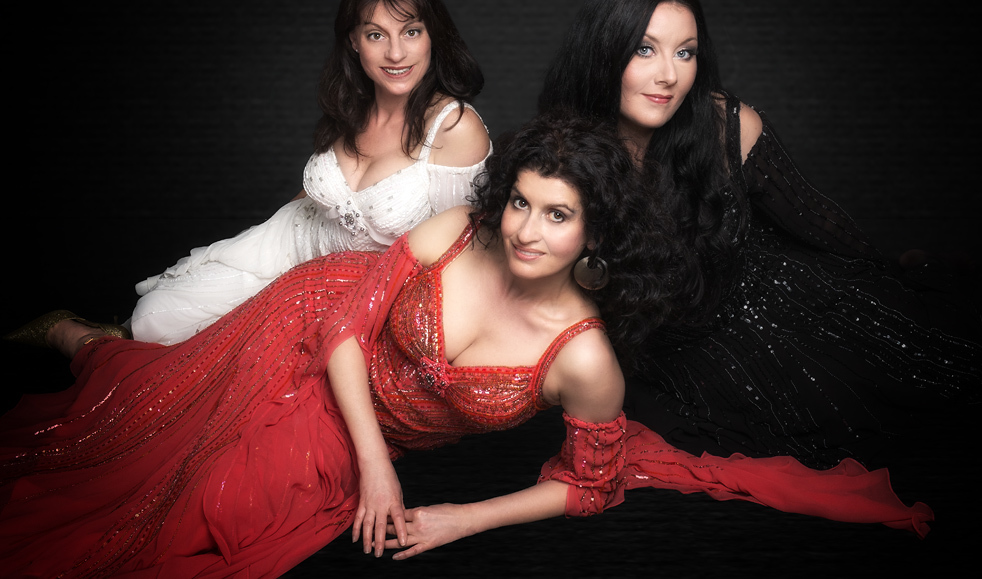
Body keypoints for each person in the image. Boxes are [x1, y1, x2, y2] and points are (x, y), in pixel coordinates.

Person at [1, 115, 930, 578]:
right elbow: (342, 323)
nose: (524, 228)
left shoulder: (585, 359)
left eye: (557, 215)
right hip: (310, 336)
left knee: (219, 510)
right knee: (136, 425)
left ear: (596, 233)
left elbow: (590, 484)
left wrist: (458, 518)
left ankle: (85, 340)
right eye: (520, 200)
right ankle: (81, 337)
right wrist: (377, 467)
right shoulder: (458, 231)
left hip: (355, 428)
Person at [539, 0, 982, 470]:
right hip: (682, 366)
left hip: (795, 307)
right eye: (645, 49)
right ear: (604, 53)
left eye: (685, 53)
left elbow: (818, 221)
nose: (669, 75)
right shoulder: (558, 161)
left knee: (942, 378)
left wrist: (888, 280)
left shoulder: (726, 126)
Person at [130, 0, 491, 345]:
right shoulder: (353, 105)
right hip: (284, 245)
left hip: (343, 293)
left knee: (181, 336)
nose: (396, 53)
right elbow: (316, 198)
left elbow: (460, 254)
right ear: (354, 41)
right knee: (152, 317)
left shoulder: (453, 128)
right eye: (376, 35)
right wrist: (254, 242)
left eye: (411, 32)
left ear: (432, 34)